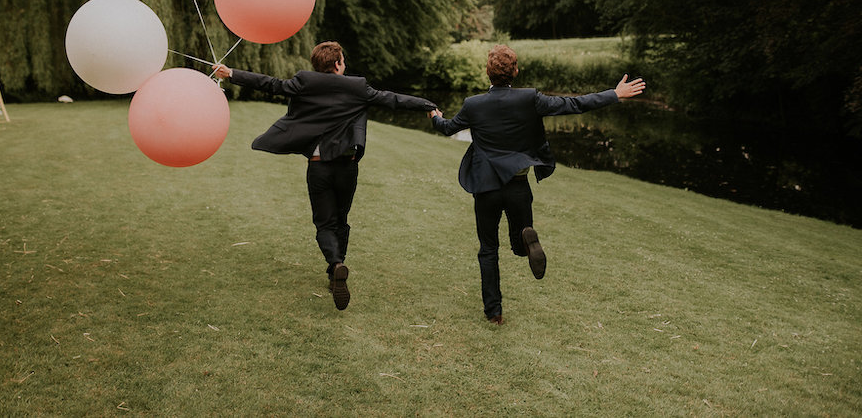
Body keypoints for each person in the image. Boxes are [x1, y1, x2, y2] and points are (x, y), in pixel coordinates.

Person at [430, 44, 645, 325]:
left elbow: (448, 128)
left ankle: (494, 313)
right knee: (520, 241)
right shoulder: (530, 98)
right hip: (518, 185)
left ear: (487, 72)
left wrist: (435, 117)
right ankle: (525, 241)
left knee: (488, 248)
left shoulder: (474, 104)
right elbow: (574, 104)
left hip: (486, 188)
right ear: (516, 71)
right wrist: (614, 94)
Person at [213, 41, 437, 311]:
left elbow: (270, 84)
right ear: (338, 64)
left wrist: (232, 73)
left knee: (324, 223)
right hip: (347, 165)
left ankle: (336, 264)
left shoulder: (305, 81)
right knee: (341, 221)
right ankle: (335, 272)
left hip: (319, 166)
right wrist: (427, 104)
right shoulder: (357, 86)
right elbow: (393, 99)